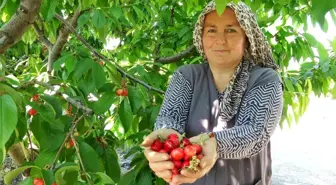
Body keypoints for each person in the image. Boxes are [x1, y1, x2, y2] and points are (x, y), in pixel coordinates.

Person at [141, 1, 283, 185]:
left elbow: (254, 133)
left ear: (247, 37)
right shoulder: (186, 76)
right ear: (201, 37)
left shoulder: (265, 79)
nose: (220, 40)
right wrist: (164, 138)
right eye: (211, 30)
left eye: (231, 30)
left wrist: (213, 143)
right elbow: (170, 118)